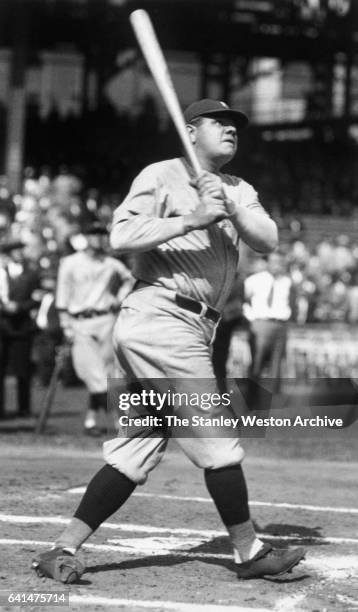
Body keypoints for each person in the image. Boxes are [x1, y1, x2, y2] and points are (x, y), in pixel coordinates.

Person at [32, 99, 305, 583]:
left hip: (190, 325)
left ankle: (60, 548)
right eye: (219, 124)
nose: (231, 131)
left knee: (135, 449)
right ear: (191, 131)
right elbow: (120, 234)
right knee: (218, 442)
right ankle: (249, 551)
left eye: (235, 126)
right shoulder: (160, 175)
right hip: (163, 317)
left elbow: (267, 239)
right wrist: (190, 219)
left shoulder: (239, 188)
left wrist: (228, 210)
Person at [55, 222, 133, 435]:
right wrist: (65, 324)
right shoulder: (70, 262)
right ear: (86, 237)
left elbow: (130, 279)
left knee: (108, 372)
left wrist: (119, 298)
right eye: (94, 234)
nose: (98, 238)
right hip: (80, 322)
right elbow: (62, 292)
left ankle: (95, 421)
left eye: (101, 234)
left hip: (106, 319)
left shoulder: (111, 263)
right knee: (91, 373)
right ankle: (120, 416)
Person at [243, 251, 293, 393]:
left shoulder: (287, 282)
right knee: (257, 363)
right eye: (274, 261)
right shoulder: (255, 280)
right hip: (260, 324)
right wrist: (251, 318)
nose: (277, 265)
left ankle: (273, 403)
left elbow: (292, 303)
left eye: (280, 262)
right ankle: (252, 401)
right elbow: (243, 301)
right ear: (268, 263)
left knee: (277, 365)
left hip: (280, 325)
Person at [0, 240, 40, 418]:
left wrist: (20, 307)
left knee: (23, 370)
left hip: (22, 326)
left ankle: (24, 408)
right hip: (3, 326)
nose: (18, 253)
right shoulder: (2, 273)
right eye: (14, 250)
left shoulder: (32, 274)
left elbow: (36, 298)